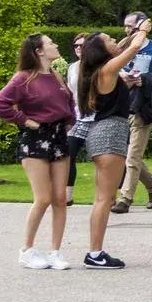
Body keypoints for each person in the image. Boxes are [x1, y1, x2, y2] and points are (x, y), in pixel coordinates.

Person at [74, 20, 152, 268]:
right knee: (104, 199)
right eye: (109, 40)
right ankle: (95, 253)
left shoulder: (98, 72)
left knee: (103, 199)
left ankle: (95, 252)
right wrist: (142, 31)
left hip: (103, 133)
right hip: (110, 134)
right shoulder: (107, 70)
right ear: (102, 50)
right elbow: (132, 49)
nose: (114, 41)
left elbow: (122, 46)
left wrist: (130, 36)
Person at [0, 34, 75, 270]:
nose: (55, 45)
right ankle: (27, 250)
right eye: (50, 43)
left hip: (58, 137)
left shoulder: (56, 75)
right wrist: (24, 121)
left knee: (60, 198)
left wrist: (70, 119)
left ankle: (55, 252)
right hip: (36, 139)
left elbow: (69, 102)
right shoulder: (23, 78)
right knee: (44, 198)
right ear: (38, 51)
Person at [111, 11, 152, 214]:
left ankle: (125, 198)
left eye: (131, 27)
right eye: (125, 26)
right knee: (127, 154)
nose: (127, 30)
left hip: (142, 107)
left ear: (144, 26)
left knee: (133, 153)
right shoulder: (122, 47)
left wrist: (144, 80)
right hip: (120, 105)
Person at [63, 33, 95, 207]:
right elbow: (70, 93)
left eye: (82, 45)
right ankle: (67, 196)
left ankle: (123, 195)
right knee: (68, 153)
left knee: (107, 158)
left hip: (99, 117)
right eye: (75, 45)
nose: (78, 48)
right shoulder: (72, 67)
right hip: (79, 117)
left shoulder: (101, 66)